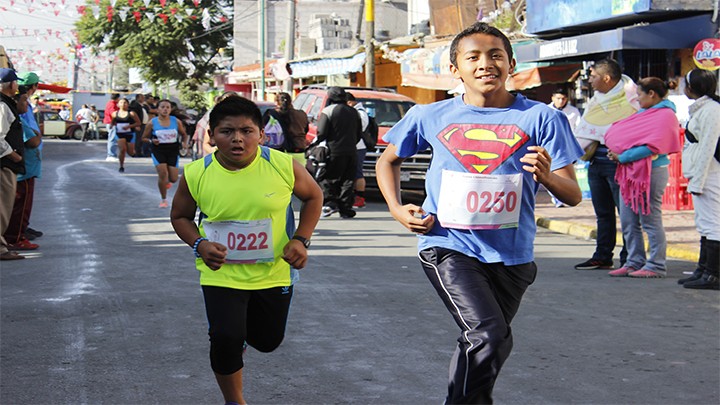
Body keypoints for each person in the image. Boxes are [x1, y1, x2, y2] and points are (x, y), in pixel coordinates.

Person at [375, 22, 583, 404]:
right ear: (455, 69)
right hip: (448, 245)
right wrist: (395, 208)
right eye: (473, 57)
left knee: (482, 342)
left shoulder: (541, 119)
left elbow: (572, 195)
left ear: (511, 63)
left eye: (495, 55)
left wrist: (547, 176)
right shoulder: (429, 116)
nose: (485, 64)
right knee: (489, 335)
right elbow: (388, 161)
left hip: (513, 254)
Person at [170, 95, 323, 404]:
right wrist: (199, 244)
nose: (237, 139)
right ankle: (234, 399)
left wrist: (301, 239)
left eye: (246, 130)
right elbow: (180, 217)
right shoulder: (197, 173)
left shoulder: (282, 165)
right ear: (211, 136)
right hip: (220, 273)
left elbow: (314, 197)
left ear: (261, 134)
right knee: (225, 337)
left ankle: (239, 339)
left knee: (267, 341)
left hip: (273, 273)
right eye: (227, 131)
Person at [604, 77, 681, 278]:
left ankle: (656, 265)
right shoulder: (645, 113)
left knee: (650, 219)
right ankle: (634, 261)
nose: (637, 99)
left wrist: (623, 155)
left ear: (652, 94)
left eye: (639, 94)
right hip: (629, 172)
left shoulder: (665, 116)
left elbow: (654, 146)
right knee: (629, 220)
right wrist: (615, 152)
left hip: (652, 172)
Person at [573, 58, 638, 270]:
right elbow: (587, 128)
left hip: (618, 162)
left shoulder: (631, 99)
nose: (589, 81)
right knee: (603, 213)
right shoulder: (596, 100)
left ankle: (630, 257)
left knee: (626, 214)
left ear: (607, 78)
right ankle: (602, 255)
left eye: (593, 76)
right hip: (595, 161)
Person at [679, 69, 720, 290]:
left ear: (693, 87)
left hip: (711, 173)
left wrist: (699, 180)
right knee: (704, 223)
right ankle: (703, 269)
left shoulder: (712, 110)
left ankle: (713, 273)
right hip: (702, 172)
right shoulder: (702, 108)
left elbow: (708, 147)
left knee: (713, 224)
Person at [4, 87, 42, 251]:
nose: (27, 104)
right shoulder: (17, 120)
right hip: (22, 172)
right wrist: (38, 135)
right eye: (24, 100)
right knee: (20, 208)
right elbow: (33, 141)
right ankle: (16, 237)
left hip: (24, 170)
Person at [315, 86, 362, 219]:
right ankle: (345, 208)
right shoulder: (354, 112)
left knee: (329, 177)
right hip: (352, 150)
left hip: (333, 150)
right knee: (348, 180)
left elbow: (322, 132)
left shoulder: (328, 111)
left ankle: (330, 203)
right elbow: (359, 133)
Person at [141, 99, 189, 208]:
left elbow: (184, 135)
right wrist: (151, 141)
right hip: (158, 150)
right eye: (162, 107)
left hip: (172, 150)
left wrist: (184, 143)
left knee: (173, 178)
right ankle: (163, 199)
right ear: (157, 109)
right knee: (162, 174)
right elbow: (144, 138)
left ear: (171, 109)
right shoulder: (152, 122)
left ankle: (166, 184)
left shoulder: (175, 121)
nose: (165, 109)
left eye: (168, 107)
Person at [0, 68, 25, 261]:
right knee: (2, 207)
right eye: (15, 82)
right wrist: (13, 155)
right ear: (10, 84)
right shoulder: (3, 105)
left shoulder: (7, 103)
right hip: (4, 164)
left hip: (6, 163)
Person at [546, 87, 581, 208]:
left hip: (567, 147)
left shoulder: (573, 111)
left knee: (567, 175)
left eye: (563, 99)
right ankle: (557, 199)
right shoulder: (545, 110)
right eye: (558, 98)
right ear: (553, 98)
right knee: (551, 173)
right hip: (550, 147)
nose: (561, 101)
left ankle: (563, 197)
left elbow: (579, 128)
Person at [346, 92, 369, 209]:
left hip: (358, 147)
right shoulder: (356, 111)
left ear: (350, 102)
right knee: (353, 173)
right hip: (352, 146)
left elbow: (361, 127)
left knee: (358, 173)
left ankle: (360, 198)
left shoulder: (360, 113)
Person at [111, 98, 141, 172]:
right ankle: (121, 166)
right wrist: (112, 125)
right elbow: (113, 122)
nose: (123, 104)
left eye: (125, 103)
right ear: (118, 104)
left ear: (128, 104)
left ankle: (133, 154)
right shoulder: (114, 113)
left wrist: (129, 126)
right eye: (121, 102)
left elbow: (138, 123)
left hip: (130, 133)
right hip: (119, 134)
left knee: (130, 152)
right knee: (122, 149)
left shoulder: (131, 113)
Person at [104, 93, 120, 160]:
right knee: (112, 139)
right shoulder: (112, 104)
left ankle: (112, 154)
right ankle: (111, 155)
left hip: (112, 123)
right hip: (112, 123)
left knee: (113, 139)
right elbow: (113, 114)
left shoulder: (111, 103)